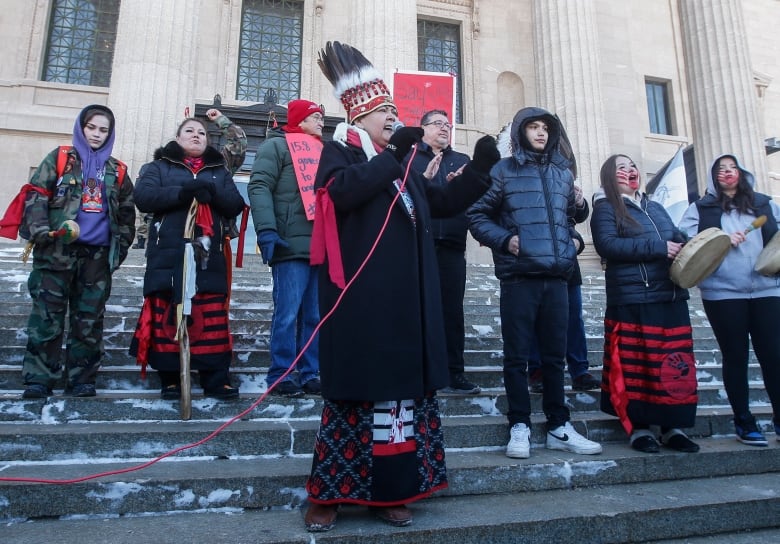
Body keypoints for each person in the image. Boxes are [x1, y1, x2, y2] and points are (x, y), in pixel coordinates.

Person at [303, 41, 497, 532]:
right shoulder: (339, 153)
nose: (394, 118)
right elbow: (340, 195)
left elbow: (443, 199)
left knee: (397, 403)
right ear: (361, 115)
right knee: (352, 395)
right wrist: (396, 158)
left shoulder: (402, 164)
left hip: (405, 304)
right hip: (360, 303)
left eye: (394, 110)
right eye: (385, 111)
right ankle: (329, 493)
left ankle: (393, 489)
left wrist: (479, 170)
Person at [467, 107, 602, 459]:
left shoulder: (561, 174)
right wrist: (507, 241)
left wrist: (577, 242)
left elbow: (563, 220)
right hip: (520, 278)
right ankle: (520, 425)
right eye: (533, 127)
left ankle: (559, 425)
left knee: (555, 358)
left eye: (545, 128)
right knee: (516, 359)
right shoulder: (503, 170)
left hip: (557, 278)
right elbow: (476, 215)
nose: (540, 133)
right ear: (520, 132)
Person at [19, 104, 136, 399]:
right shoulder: (59, 159)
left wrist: (116, 255)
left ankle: (82, 378)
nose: (96, 134)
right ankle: (40, 378)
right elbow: (35, 196)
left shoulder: (117, 170)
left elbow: (126, 216)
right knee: (47, 317)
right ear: (81, 128)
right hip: (56, 251)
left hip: (96, 258)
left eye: (103, 130)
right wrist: (41, 233)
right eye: (91, 127)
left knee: (89, 321)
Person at [130, 113, 246, 400]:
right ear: (178, 138)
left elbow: (234, 204)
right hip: (168, 252)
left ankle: (216, 378)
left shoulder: (219, 170)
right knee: (169, 312)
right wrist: (184, 192)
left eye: (202, 133)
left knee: (210, 314)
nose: (197, 135)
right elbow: (144, 197)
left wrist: (211, 193)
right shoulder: (158, 167)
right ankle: (170, 377)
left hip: (208, 253)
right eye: (190, 131)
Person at [591, 154, 699, 453]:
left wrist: (688, 244)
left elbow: (675, 237)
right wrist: (658, 247)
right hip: (633, 297)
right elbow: (608, 245)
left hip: (670, 295)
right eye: (620, 168)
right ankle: (639, 428)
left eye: (632, 166)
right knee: (638, 365)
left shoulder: (657, 207)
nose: (629, 171)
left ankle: (672, 427)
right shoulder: (605, 208)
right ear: (609, 177)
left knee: (673, 365)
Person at [679, 154, 780, 446]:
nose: (727, 172)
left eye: (732, 167)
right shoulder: (701, 208)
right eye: (720, 169)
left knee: (774, 357)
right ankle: (744, 422)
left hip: (767, 289)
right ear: (713, 178)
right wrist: (720, 238)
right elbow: (687, 241)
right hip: (723, 293)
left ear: (742, 173)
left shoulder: (764, 203)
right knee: (735, 357)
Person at [248, 99, 324, 398]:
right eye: (315, 117)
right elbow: (259, 186)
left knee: (314, 316)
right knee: (288, 313)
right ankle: (282, 373)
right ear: (300, 120)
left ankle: (310, 372)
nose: (321, 122)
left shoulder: (323, 150)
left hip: (320, 244)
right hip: (290, 243)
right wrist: (266, 229)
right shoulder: (275, 146)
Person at [403, 109, 480, 394]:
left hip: (452, 246)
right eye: (438, 124)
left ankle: (454, 372)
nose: (445, 129)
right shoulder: (409, 159)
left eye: (448, 125)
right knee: (417, 308)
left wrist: (461, 187)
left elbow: (474, 200)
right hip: (416, 245)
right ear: (422, 129)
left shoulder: (462, 161)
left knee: (451, 312)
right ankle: (419, 370)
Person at [528, 184, 600, 393]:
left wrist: (579, 203)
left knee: (573, 318)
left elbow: (574, 217)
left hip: (566, 263)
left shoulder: (561, 174)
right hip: (535, 257)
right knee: (536, 318)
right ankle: (537, 369)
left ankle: (579, 371)